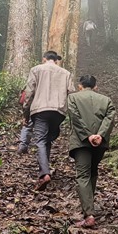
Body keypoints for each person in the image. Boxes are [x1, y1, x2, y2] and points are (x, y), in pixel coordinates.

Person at [65, 74, 115, 228]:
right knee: (93, 172)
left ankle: (89, 214)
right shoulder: (106, 100)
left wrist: (88, 136)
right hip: (100, 144)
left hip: (81, 143)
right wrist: (99, 135)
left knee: (83, 175)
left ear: (80, 85)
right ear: (95, 86)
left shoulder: (73, 98)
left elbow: (75, 117)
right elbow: (110, 119)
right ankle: (89, 209)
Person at [23, 50, 73, 191]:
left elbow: (29, 92)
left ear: (44, 58)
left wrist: (26, 113)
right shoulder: (66, 73)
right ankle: (44, 169)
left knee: (40, 140)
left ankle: (44, 173)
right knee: (47, 140)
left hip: (40, 109)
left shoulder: (36, 69)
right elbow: (71, 92)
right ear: (56, 60)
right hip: (58, 111)